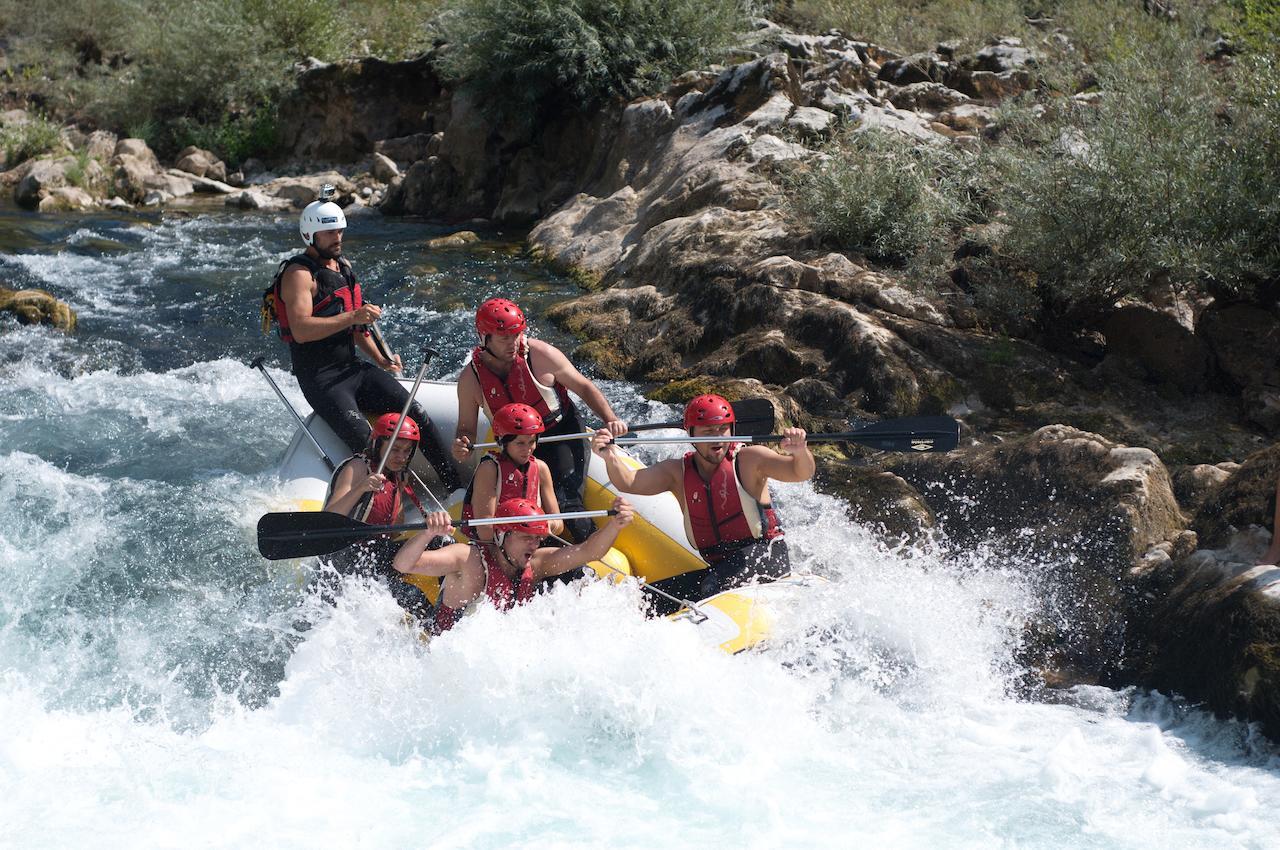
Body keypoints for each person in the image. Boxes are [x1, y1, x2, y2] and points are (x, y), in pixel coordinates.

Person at [269, 189, 459, 490]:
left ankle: (456, 487)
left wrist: (380, 358)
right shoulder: (299, 274)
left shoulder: (342, 267)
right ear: (310, 235)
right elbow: (303, 329)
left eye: (340, 231)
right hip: (321, 379)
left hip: (352, 368)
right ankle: (392, 503)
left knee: (416, 412)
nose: (337, 238)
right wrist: (354, 317)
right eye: (329, 232)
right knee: (368, 443)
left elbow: (355, 328)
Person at [591, 393, 814, 611]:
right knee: (646, 601)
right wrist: (609, 455)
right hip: (719, 566)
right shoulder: (676, 472)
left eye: (722, 429)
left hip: (766, 555)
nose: (717, 438)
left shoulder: (750, 460)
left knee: (713, 586)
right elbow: (629, 482)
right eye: (708, 431)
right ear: (691, 435)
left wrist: (800, 451)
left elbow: (799, 472)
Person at [451, 297, 626, 541]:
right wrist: (463, 444)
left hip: (560, 432)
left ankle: (590, 552)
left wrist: (610, 419)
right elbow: (466, 428)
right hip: (513, 443)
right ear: (485, 338)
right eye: (504, 338)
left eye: (517, 335)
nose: (513, 343)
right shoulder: (470, 380)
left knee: (567, 500)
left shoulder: (539, 355)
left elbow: (584, 387)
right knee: (509, 508)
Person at [393, 496, 634, 633]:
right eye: (526, 538)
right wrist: (427, 534)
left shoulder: (537, 563)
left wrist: (616, 524)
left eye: (537, 539)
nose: (533, 545)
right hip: (445, 654)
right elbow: (404, 564)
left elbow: (589, 551)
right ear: (501, 536)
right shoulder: (469, 560)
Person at [319, 412, 435, 621]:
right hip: (347, 556)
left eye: (407, 451)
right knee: (413, 596)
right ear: (377, 445)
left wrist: (398, 491)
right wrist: (360, 488)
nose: (401, 457)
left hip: (376, 553)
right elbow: (328, 519)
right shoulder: (357, 467)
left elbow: (392, 531)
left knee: (442, 540)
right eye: (395, 450)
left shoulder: (395, 475)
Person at [461, 402, 564, 542]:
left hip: (529, 545)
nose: (528, 449)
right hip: (492, 546)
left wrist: (541, 525)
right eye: (520, 443)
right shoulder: (490, 469)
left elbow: (558, 524)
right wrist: (520, 534)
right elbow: (485, 530)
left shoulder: (541, 468)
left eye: (532, 442)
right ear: (503, 442)